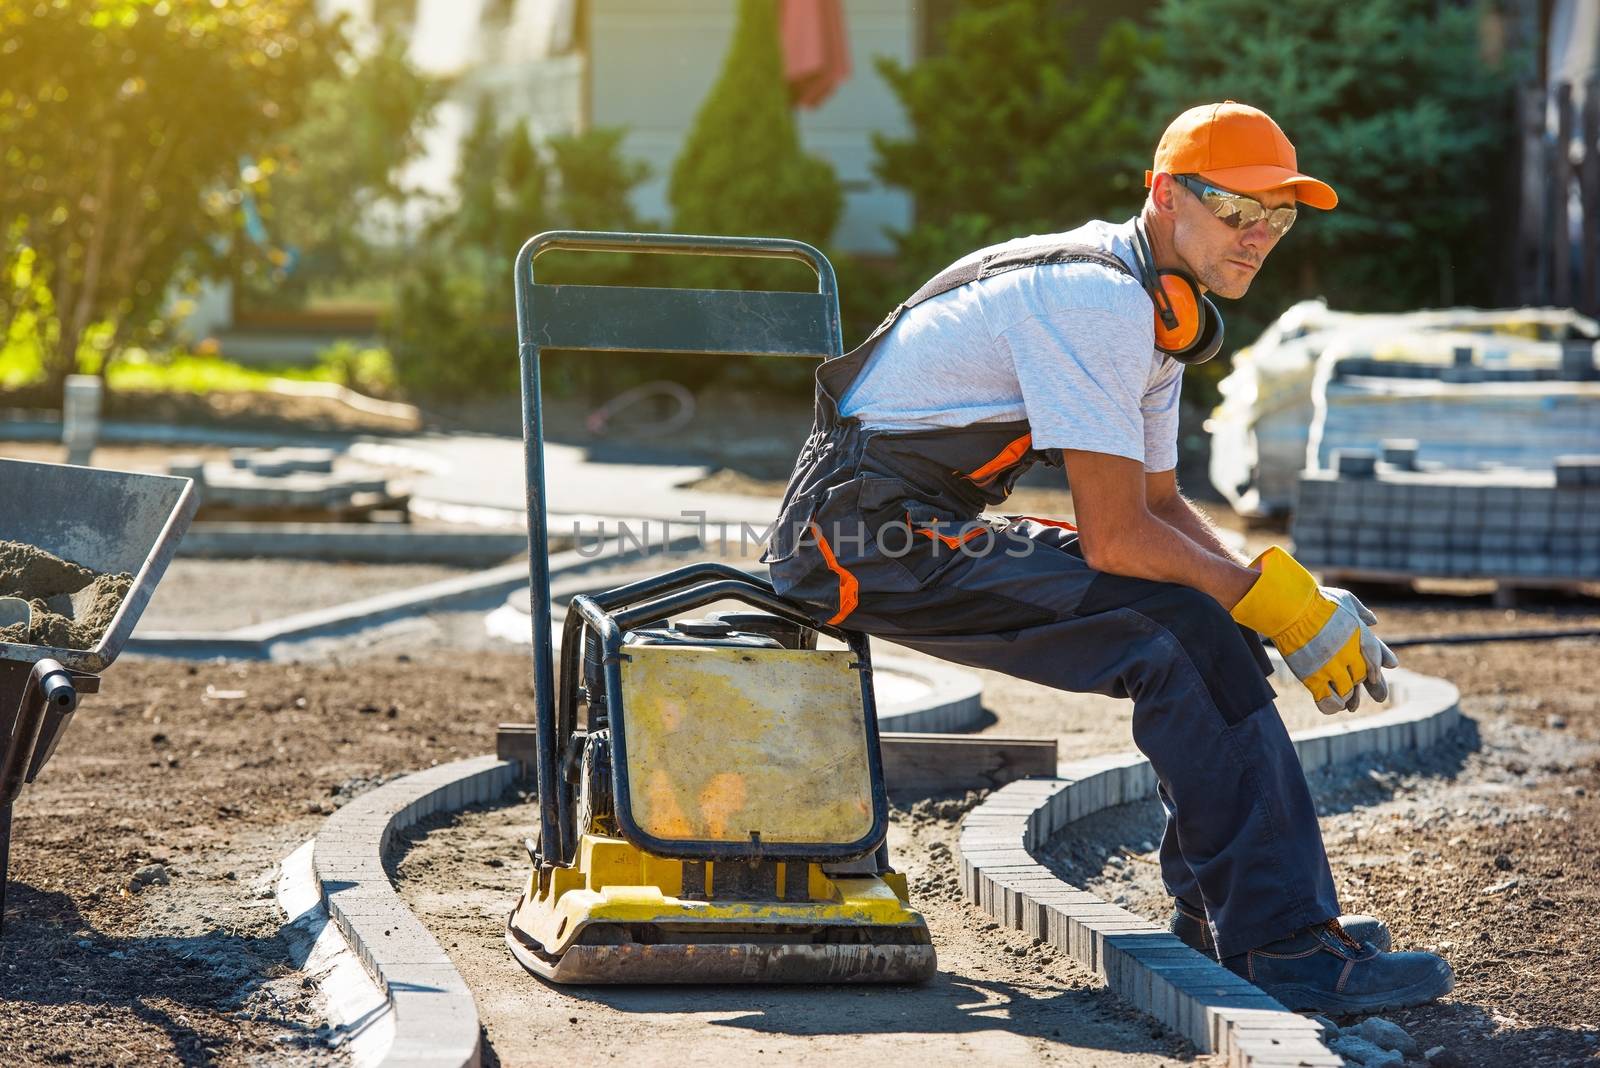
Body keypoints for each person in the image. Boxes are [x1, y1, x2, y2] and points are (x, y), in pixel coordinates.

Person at [761, 101, 1453, 1013]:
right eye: (1238, 210)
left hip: (914, 524)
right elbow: (1117, 538)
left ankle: (1229, 912)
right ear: (1167, 195)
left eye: (1277, 219)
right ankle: (1283, 946)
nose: (1259, 236)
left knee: (1204, 619)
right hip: (857, 541)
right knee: (1171, 631)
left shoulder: (1158, 310)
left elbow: (1162, 507)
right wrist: (1267, 607)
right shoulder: (1097, 298)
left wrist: (1286, 597)